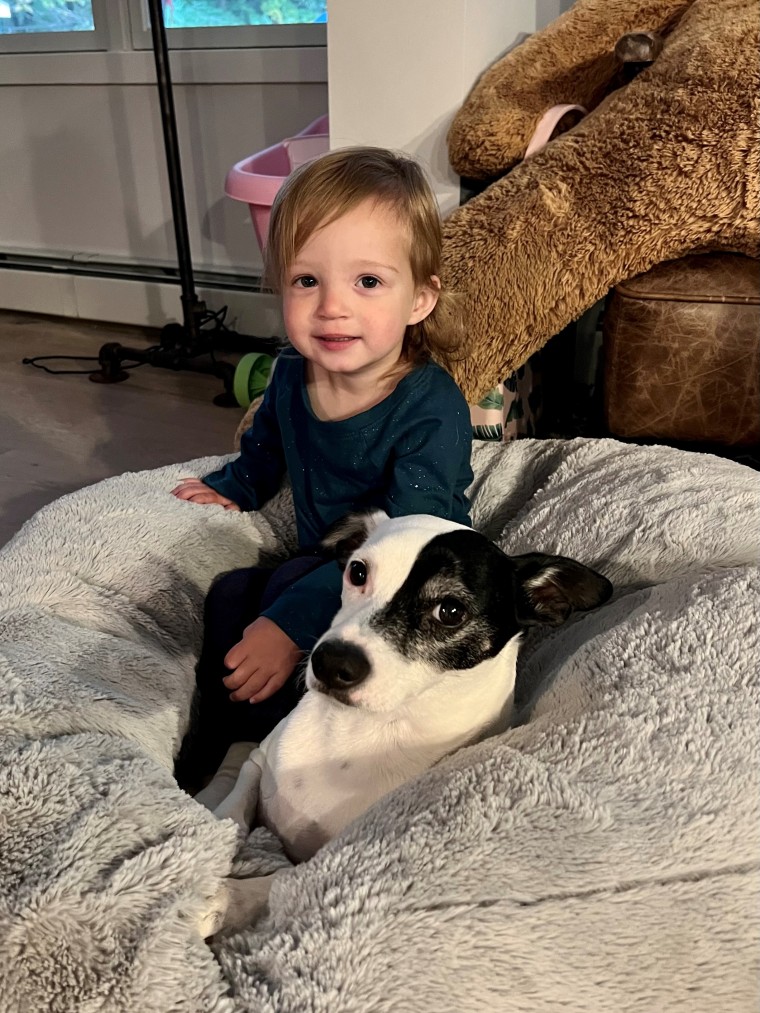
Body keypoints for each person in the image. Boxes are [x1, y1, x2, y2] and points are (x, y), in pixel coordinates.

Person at [172, 146, 473, 789]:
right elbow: (269, 445)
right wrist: (239, 484)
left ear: (419, 299)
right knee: (230, 592)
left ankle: (284, 748)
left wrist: (288, 625)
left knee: (286, 598)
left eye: (367, 282)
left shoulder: (430, 404)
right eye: (307, 281)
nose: (332, 306)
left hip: (401, 574)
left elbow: (412, 538)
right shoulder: (290, 374)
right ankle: (219, 729)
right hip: (329, 554)